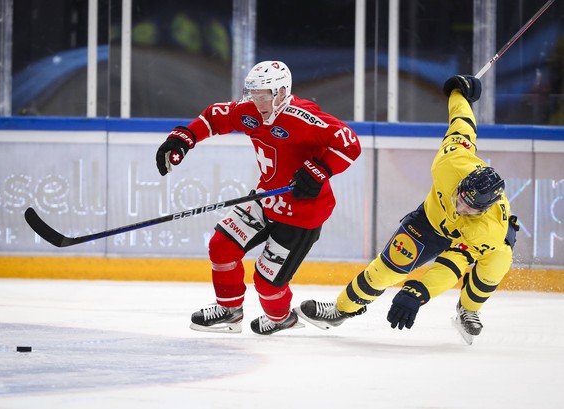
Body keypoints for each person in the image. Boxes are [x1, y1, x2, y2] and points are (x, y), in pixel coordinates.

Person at [295, 74, 519, 343]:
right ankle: (341, 310)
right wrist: (459, 93)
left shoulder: (487, 229)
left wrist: (418, 291)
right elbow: (462, 124)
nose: (460, 206)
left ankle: (468, 310)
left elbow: (454, 263)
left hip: (475, 242)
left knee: (498, 261)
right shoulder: (451, 162)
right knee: (384, 271)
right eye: (461, 197)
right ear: (463, 183)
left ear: (484, 209)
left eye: (469, 208)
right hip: (429, 222)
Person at [155, 61, 361, 335]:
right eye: (254, 94)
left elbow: (349, 142)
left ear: (282, 92)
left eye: (264, 95)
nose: (257, 101)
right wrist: (184, 138)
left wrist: (319, 171)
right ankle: (229, 311)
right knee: (221, 246)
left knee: (267, 284)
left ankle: (281, 319)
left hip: (302, 213)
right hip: (267, 198)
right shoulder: (250, 111)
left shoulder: (303, 116)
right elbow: (215, 116)